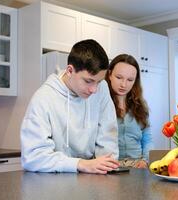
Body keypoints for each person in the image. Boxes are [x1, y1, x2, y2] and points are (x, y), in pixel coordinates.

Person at [20, 39, 120, 174]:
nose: (94, 90)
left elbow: (108, 136)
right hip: (54, 179)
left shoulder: (101, 89)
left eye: (99, 82)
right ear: (69, 70)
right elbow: (33, 157)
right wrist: (80, 164)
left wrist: (107, 167)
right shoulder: (43, 98)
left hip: (91, 177)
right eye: (88, 81)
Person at [105, 54, 152, 168]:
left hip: (138, 165)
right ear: (110, 74)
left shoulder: (140, 106)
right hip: (110, 165)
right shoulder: (101, 103)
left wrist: (145, 160)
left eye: (130, 80)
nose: (124, 84)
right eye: (119, 77)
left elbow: (147, 139)